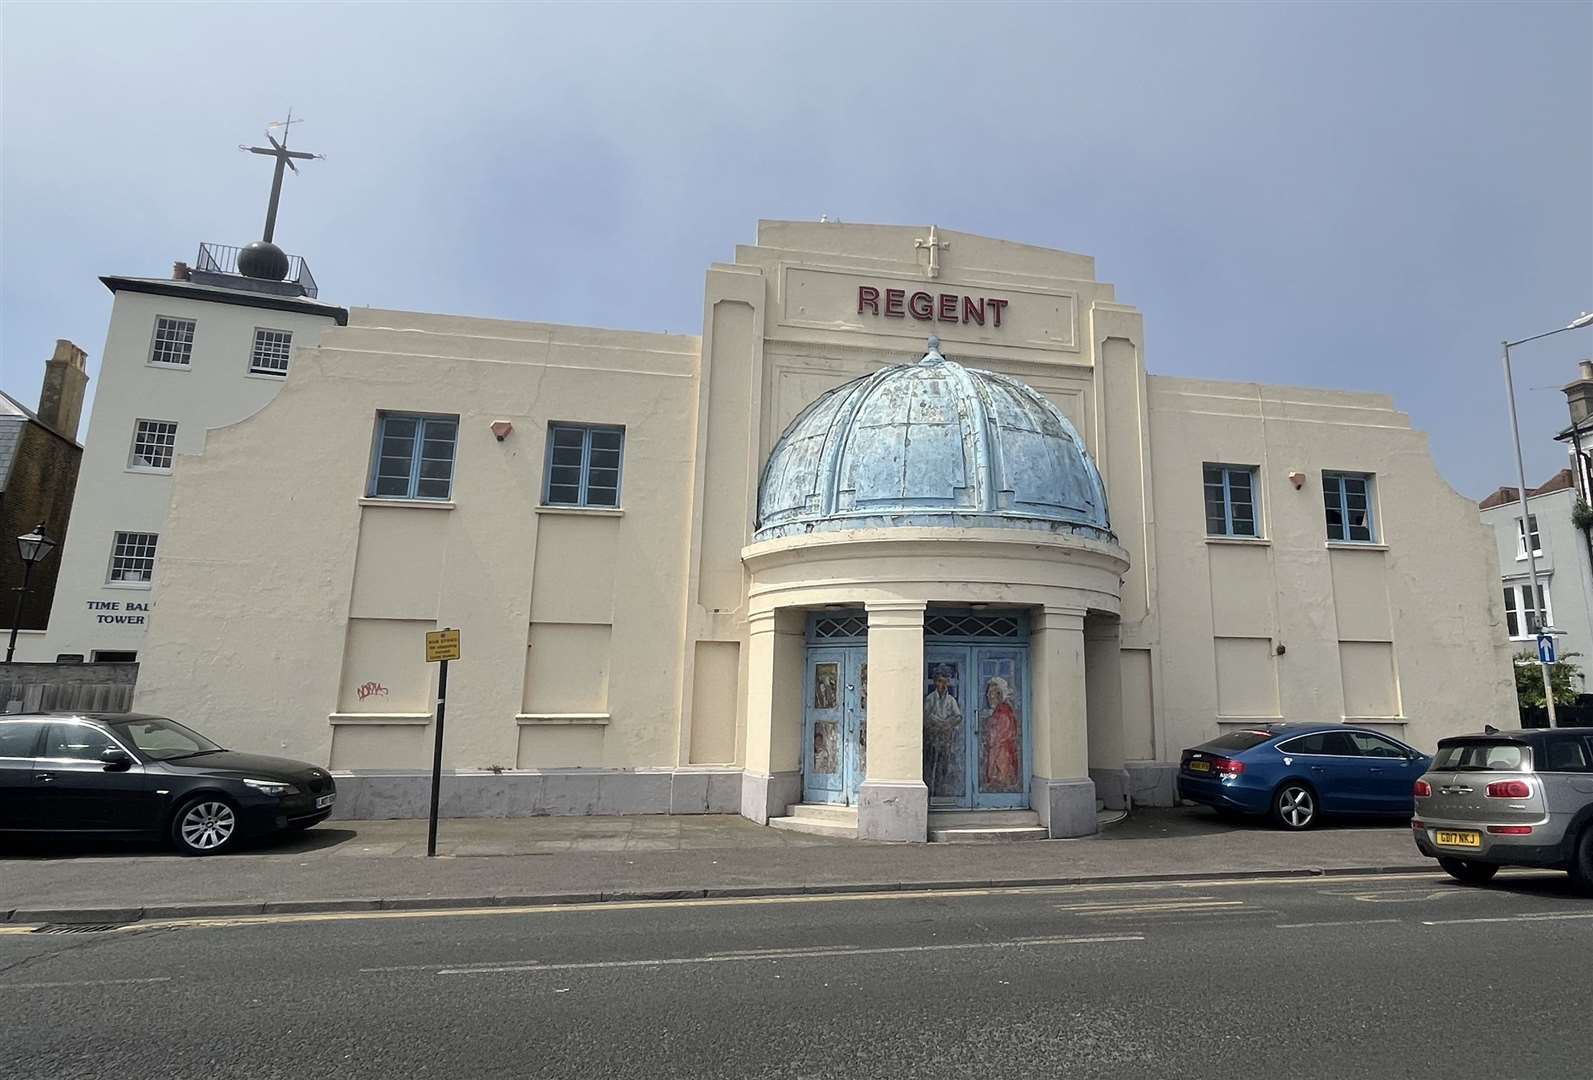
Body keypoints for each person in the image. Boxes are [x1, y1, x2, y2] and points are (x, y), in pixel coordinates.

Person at [923, 665, 963, 797]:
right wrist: (934, 723)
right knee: (930, 764)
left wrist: (948, 723)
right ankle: (930, 791)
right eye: (940, 681)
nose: (943, 684)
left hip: (945, 738)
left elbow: (958, 717)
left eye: (945, 681)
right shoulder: (930, 698)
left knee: (943, 766)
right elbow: (925, 715)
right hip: (932, 737)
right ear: (935, 682)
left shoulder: (951, 700)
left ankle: (940, 792)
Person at [979, 676, 1021, 792]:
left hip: (1002, 757)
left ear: (999, 694)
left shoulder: (1003, 712)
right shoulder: (1000, 711)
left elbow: (996, 737)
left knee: (1000, 781)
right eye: (988, 693)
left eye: (991, 693)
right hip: (998, 754)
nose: (988, 696)